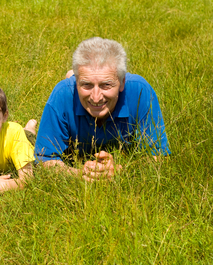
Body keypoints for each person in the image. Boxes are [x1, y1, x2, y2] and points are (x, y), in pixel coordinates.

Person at [35, 37, 170, 181]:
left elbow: (159, 157)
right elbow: (44, 161)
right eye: (86, 84)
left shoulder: (140, 91)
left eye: (106, 85)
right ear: (76, 83)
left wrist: (120, 170)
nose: (96, 97)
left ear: (122, 82)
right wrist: (81, 174)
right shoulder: (62, 94)